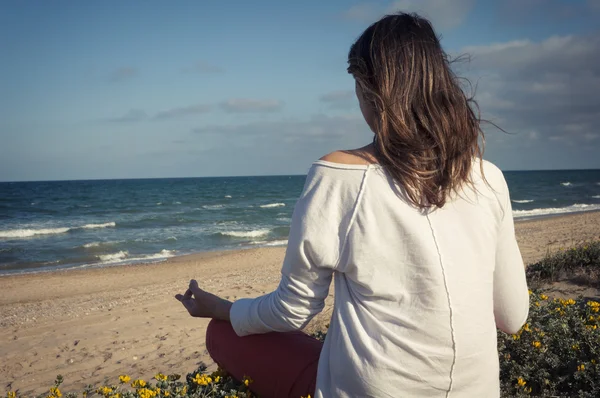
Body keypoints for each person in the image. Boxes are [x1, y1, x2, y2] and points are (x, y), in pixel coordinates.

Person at [176, 11, 529, 398]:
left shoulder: (340, 176)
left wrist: (222, 308)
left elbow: (294, 310)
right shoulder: (487, 177)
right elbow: (512, 317)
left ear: (369, 89)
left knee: (224, 335)